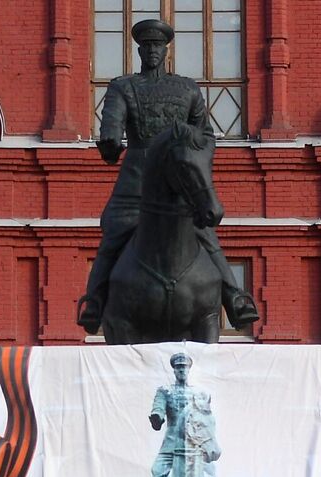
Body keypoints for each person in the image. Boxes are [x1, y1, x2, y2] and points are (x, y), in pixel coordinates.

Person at [78, 18, 260, 336]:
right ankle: (93, 302)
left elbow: (204, 136)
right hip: (135, 181)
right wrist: (109, 138)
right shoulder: (123, 86)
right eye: (146, 46)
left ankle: (235, 298)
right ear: (138, 50)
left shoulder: (187, 89)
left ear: (166, 51)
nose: (152, 51)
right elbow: (113, 122)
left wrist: (192, 163)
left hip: (178, 182)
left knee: (205, 235)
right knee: (114, 235)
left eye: (157, 46)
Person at [138, 352, 240, 477]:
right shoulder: (164, 391)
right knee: (158, 475)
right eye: (178, 368)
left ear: (189, 369)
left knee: (211, 476)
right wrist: (157, 417)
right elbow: (158, 408)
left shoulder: (200, 393)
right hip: (171, 445)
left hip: (195, 446)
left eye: (184, 367)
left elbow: (206, 420)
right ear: (174, 370)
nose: (182, 370)